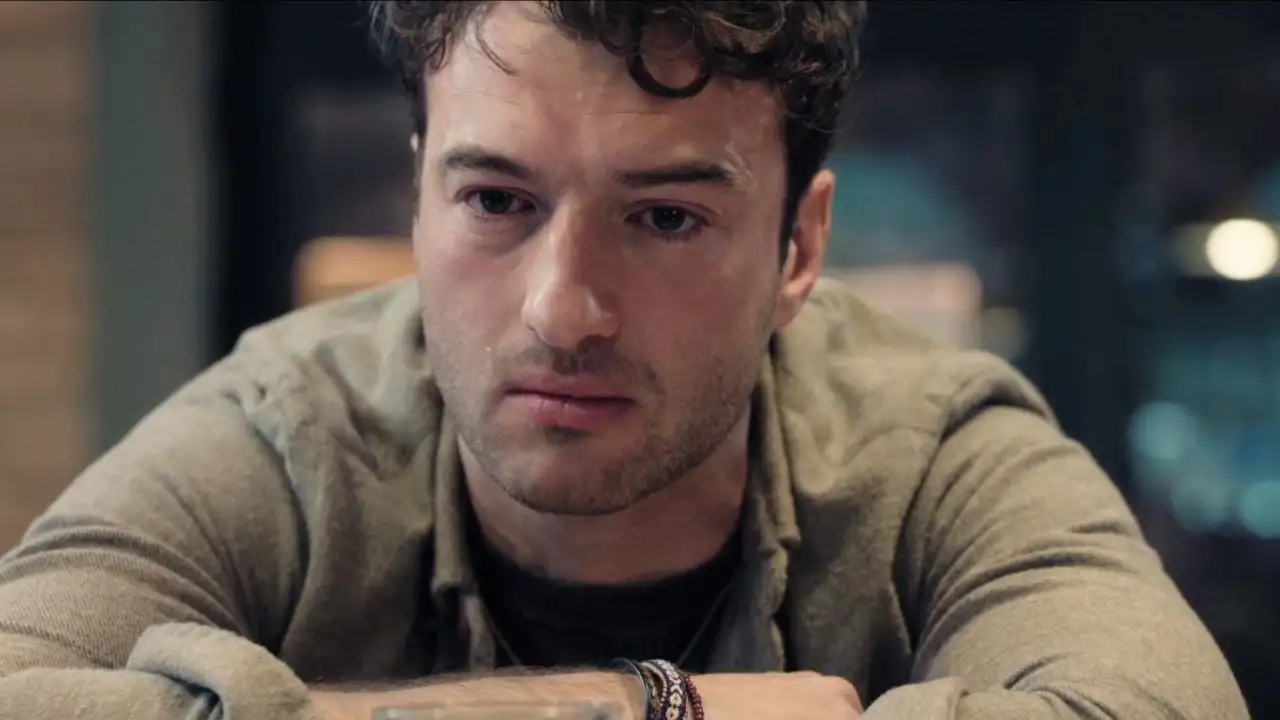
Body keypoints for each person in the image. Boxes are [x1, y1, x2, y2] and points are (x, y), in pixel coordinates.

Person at [0, 1, 1248, 718]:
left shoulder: (931, 449)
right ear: (420, 199)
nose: (562, 311)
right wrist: (652, 708)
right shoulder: (288, 428)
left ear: (798, 249)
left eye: (663, 218)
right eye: (496, 201)